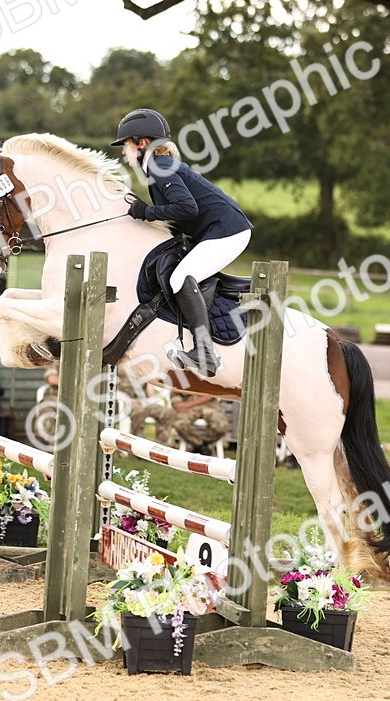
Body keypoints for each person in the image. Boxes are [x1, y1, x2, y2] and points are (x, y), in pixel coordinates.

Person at [113, 108, 253, 379]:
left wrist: (146, 212)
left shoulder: (159, 167)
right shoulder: (158, 168)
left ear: (141, 143)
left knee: (181, 277)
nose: (123, 153)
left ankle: (205, 352)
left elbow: (186, 208)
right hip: (220, 230)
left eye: (126, 145)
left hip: (227, 231)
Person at [170, 391, 230, 456]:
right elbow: (175, 395)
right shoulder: (182, 381)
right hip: (187, 407)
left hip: (209, 405)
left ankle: (202, 445)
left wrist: (190, 404)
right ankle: (201, 447)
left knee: (221, 425)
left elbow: (212, 394)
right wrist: (178, 404)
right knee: (179, 423)